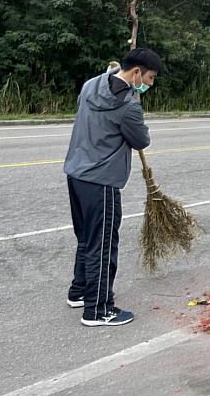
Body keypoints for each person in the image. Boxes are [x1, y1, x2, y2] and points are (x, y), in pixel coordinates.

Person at [63, 48, 162, 326]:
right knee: (103, 245)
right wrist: (136, 100)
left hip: (76, 174)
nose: (150, 84)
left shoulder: (91, 84)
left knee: (86, 239)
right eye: (150, 78)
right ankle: (98, 309)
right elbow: (141, 140)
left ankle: (79, 292)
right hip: (101, 182)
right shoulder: (129, 106)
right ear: (137, 73)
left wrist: (123, 81)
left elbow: (112, 78)